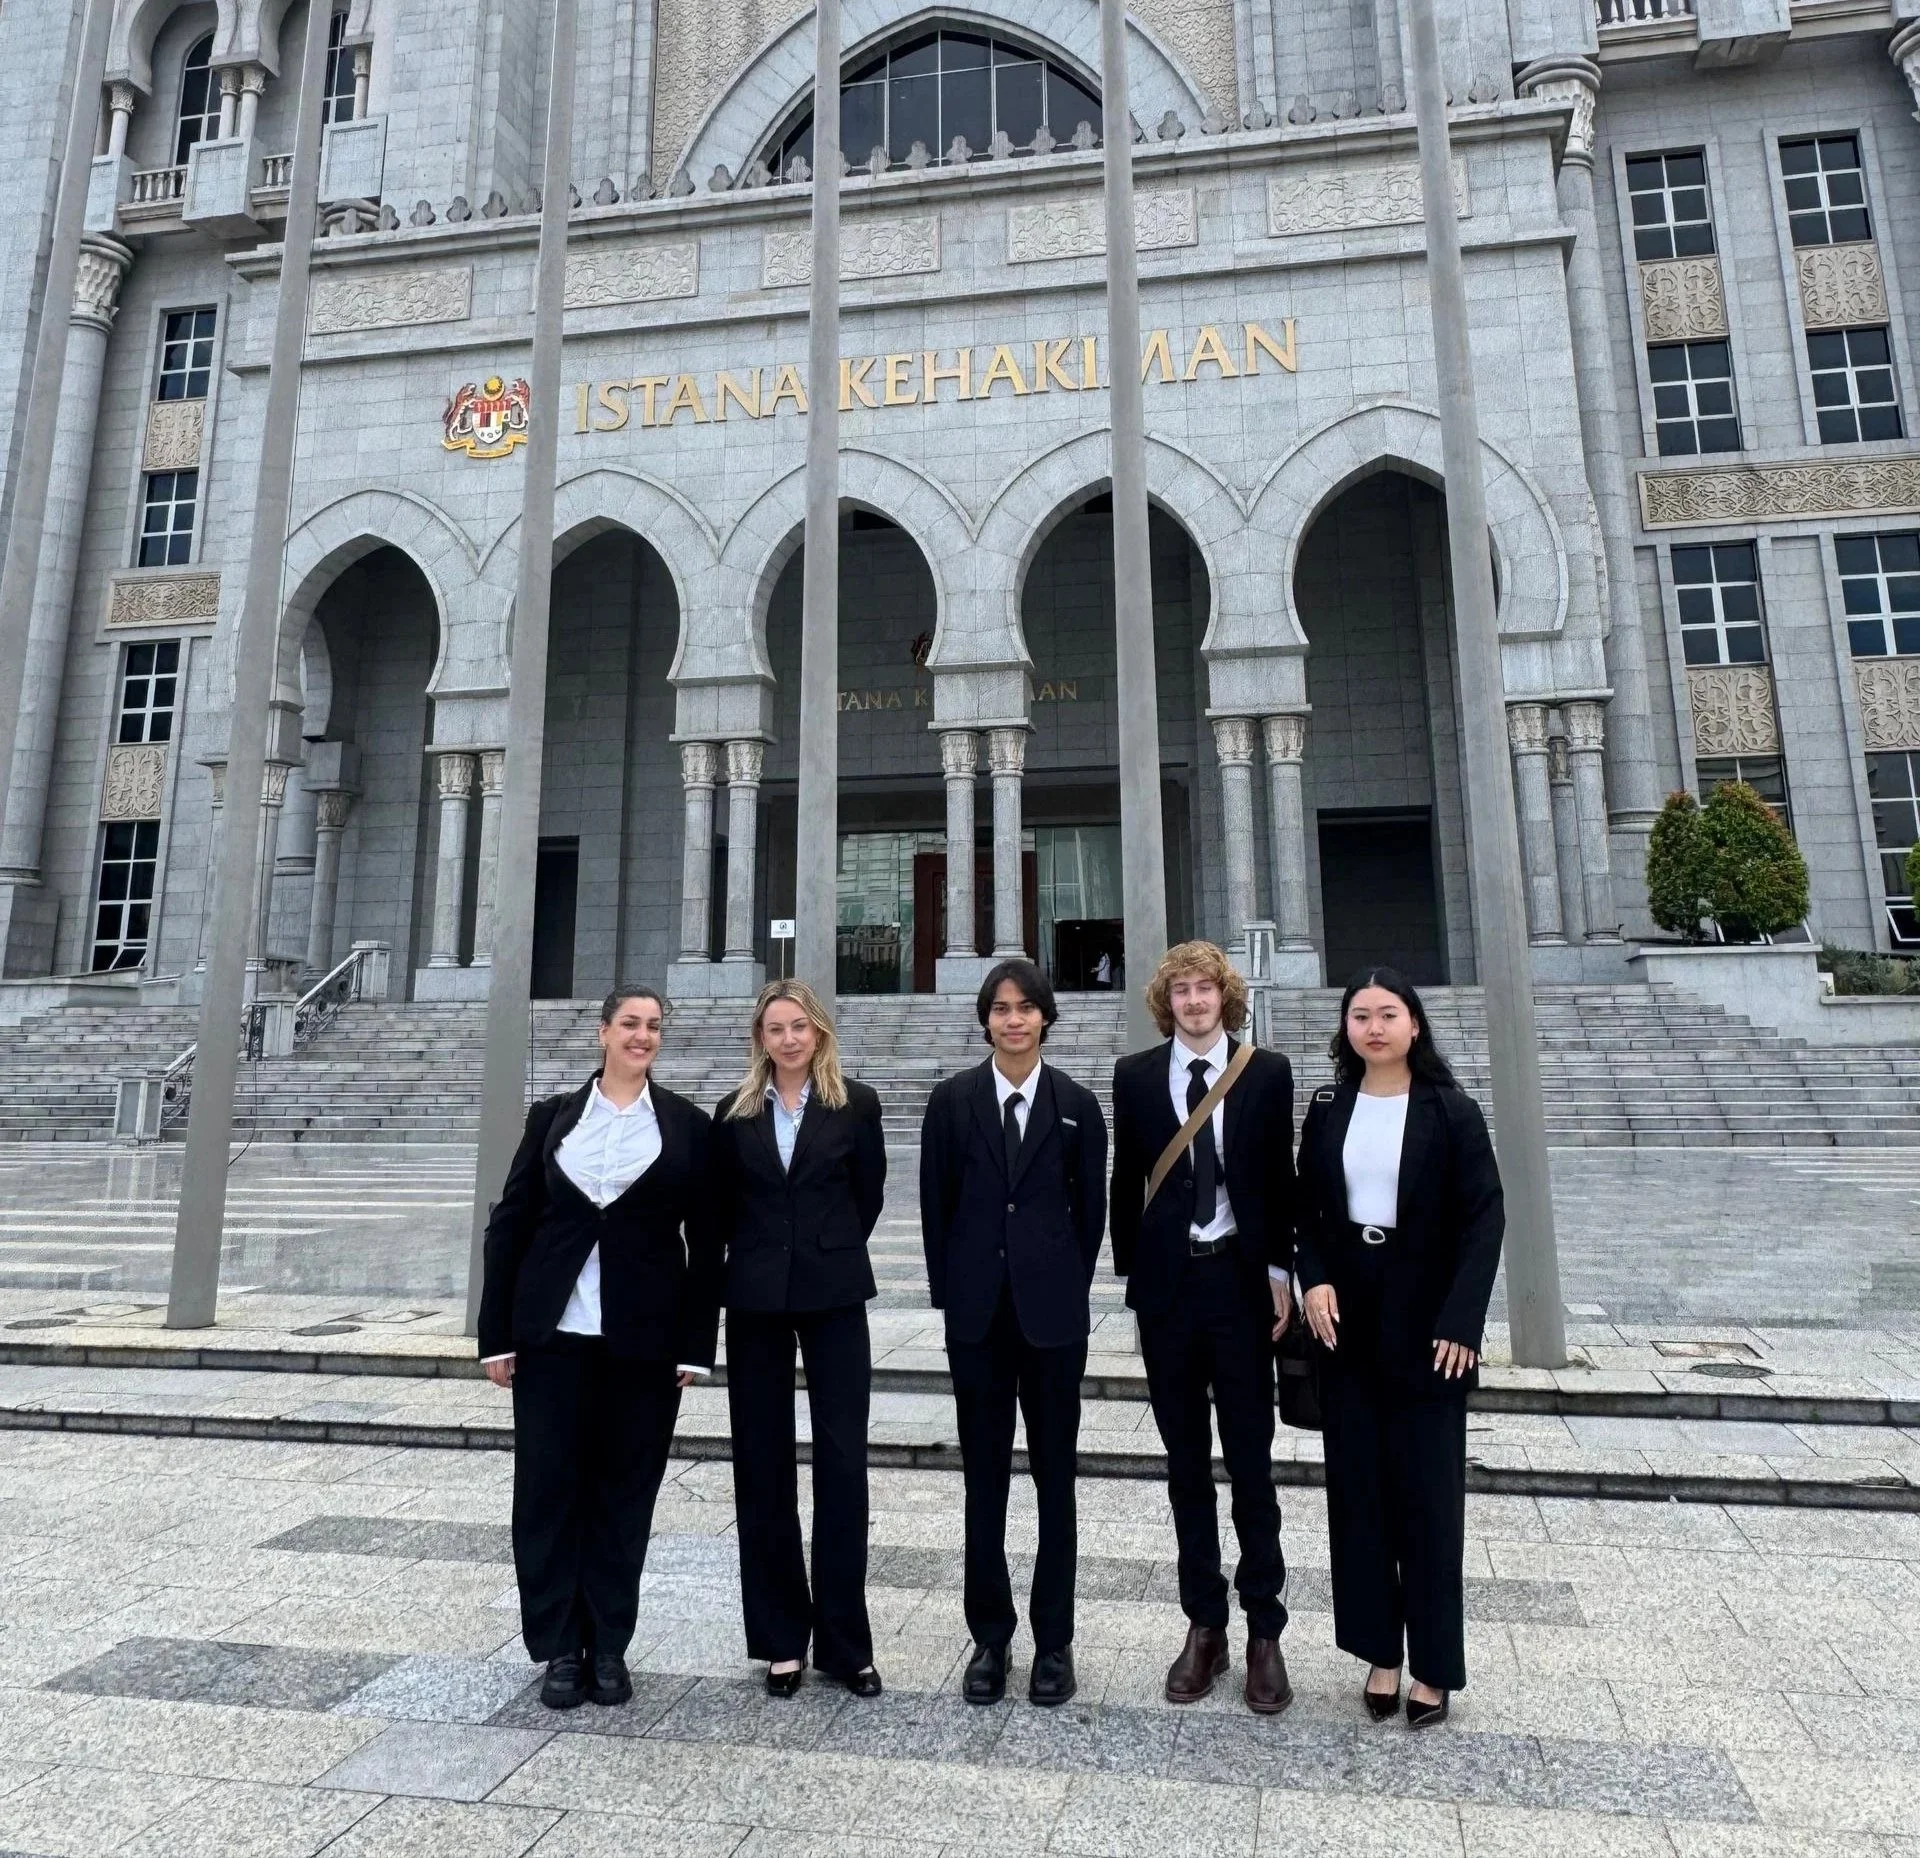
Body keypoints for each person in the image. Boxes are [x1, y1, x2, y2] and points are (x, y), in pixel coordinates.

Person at [478, 985, 721, 1711]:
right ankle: (559, 1646)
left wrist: (694, 1345)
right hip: (552, 1338)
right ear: (602, 1032)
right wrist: (496, 1335)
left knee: (625, 1496)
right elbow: (511, 1223)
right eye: (629, 1024)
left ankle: (609, 1643)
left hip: (642, 1344)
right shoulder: (553, 1117)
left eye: (652, 1027)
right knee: (548, 1492)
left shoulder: (684, 1125)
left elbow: (706, 1244)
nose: (641, 1037)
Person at [1296, 967, 1504, 1729]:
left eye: (1388, 1014)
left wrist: (1461, 1323)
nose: (1374, 1027)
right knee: (1359, 1498)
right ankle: (1380, 1651)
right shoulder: (1327, 1108)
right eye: (1360, 1015)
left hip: (1427, 1328)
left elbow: (1485, 1220)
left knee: (1428, 1502)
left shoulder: (1451, 1112)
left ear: (1415, 1025)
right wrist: (1312, 1278)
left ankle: (1434, 1667)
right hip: (1346, 1322)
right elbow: (1307, 1210)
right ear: (1346, 1028)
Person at [1109, 941, 1298, 1714]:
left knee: (1251, 1463)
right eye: (1181, 991)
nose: (1193, 1002)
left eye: (1205, 990)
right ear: (1167, 1003)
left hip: (1240, 1287)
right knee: (1186, 1465)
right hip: (1171, 1292)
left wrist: (1282, 1273)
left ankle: (1264, 1630)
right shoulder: (1135, 1076)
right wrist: (1136, 1274)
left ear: (1226, 997)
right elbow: (1129, 1177)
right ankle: (1204, 1624)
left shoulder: (1267, 1073)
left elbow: (1281, 1181)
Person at [919, 958, 1107, 1707]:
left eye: (1026, 1007)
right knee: (983, 1481)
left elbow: (1088, 1215)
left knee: (1055, 1478)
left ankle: (1053, 1641)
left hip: (1053, 1321)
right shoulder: (953, 1102)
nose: (1014, 1019)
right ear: (985, 1019)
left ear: (1046, 1017)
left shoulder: (1077, 1105)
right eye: (1000, 1007)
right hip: (979, 1321)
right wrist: (955, 1295)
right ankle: (990, 1637)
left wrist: (1060, 1280)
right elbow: (938, 1208)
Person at [713, 980, 888, 1698]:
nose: (787, 1039)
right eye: (774, 1028)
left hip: (834, 1293)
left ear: (818, 1033)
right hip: (755, 1298)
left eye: (798, 1027)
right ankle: (782, 1640)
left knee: (843, 1466)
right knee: (763, 1466)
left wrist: (824, 1247)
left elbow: (867, 1193)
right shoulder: (734, 1113)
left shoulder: (856, 1104)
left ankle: (846, 1645)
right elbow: (721, 1206)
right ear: (759, 1038)